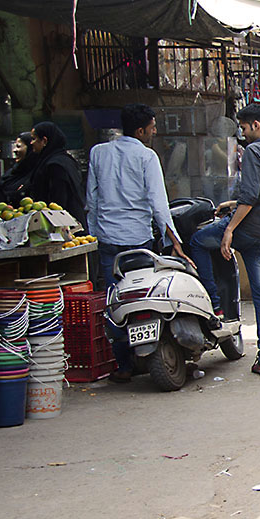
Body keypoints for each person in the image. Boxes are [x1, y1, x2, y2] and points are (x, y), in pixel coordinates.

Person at [87, 104, 193, 383]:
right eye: (153, 126)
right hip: (139, 241)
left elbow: (92, 200)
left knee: (115, 301)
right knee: (147, 296)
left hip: (108, 240)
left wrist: (95, 234)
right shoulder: (147, 157)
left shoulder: (98, 153)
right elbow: (159, 204)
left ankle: (123, 365)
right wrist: (174, 241)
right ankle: (151, 353)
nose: (155, 131)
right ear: (141, 130)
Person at [189, 103, 260, 376]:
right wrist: (234, 204)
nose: (243, 133)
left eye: (244, 128)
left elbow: (249, 196)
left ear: (256, 125)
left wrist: (230, 229)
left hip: (246, 228)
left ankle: (216, 305)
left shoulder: (254, 151)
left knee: (198, 241)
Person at [24, 122, 86, 225]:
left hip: (63, 225)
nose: (31, 143)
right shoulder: (64, 160)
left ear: (44, 141)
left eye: (34, 139)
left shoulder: (55, 165)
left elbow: (58, 201)